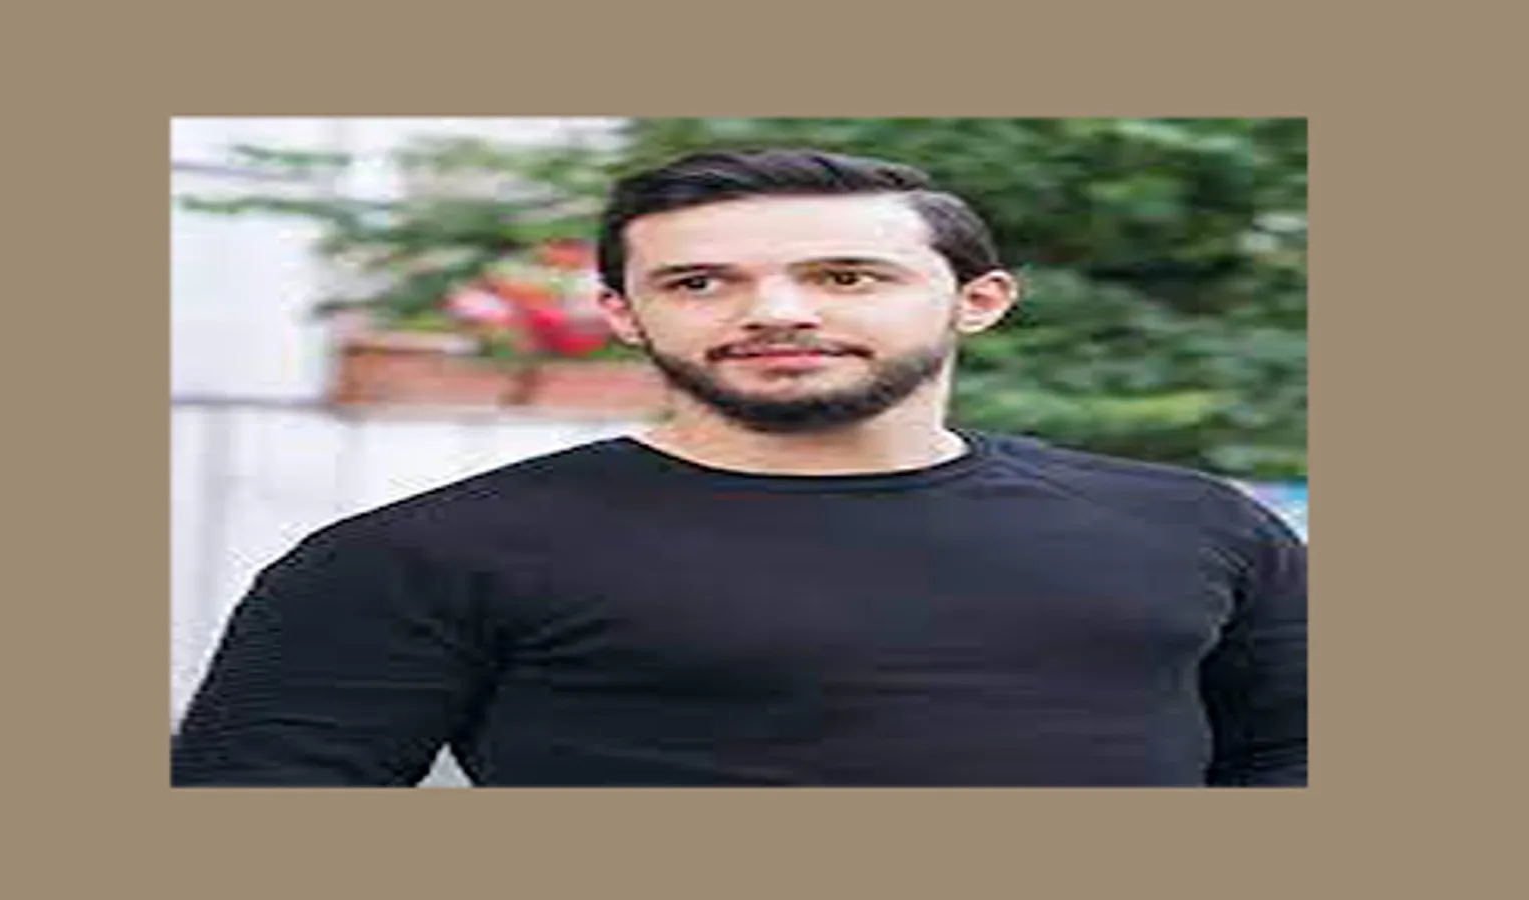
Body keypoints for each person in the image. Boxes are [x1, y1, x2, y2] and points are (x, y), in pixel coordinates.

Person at [172, 148, 1307, 787]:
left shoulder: (1199, 527)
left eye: (845, 277)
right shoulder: (416, 557)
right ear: (624, 314)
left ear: (979, 300)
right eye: (698, 283)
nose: (774, 312)